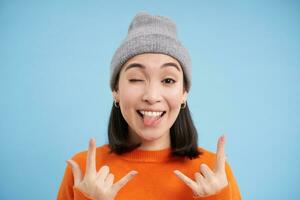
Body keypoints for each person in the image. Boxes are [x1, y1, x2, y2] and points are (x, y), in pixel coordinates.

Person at [57, 12, 242, 200]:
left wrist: (216, 197)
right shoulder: (85, 172)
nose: (152, 96)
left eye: (168, 80)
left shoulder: (215, 175)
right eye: (136, 79)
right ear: (116, 90)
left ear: (184, 92)